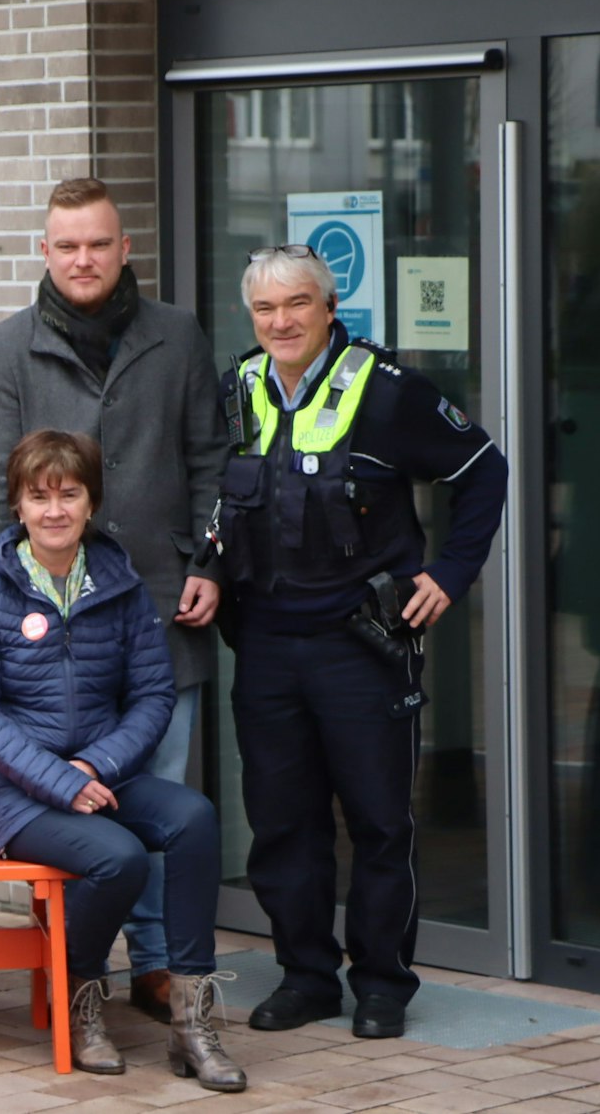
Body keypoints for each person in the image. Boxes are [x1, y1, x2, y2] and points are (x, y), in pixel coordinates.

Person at [217, 246, 507, 1040]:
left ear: (328, 306)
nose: (281, 321)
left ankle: (382, 982)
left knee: (379, 821)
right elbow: (226, 501)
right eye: (266, 309)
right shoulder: (238, 386)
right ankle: (306, 975)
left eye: (297, 304)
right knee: (283, 822)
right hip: (268, 643)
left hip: (361, 644)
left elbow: (484, 469)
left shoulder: (387, 392)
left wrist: (449, 572)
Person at [0, 177, 227, 1023]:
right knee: (76, 807)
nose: (84, 258)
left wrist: (209, 560)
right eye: (67, 244)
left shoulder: (178, 335)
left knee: (155, 786)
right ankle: (78, 973)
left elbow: (211, 458)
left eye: (99, 243)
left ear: (123, 250)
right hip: (42, 622)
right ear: (45, 251)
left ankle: (157, 967)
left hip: (158, 600)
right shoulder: (4, 349)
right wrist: (9, 603)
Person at [0, 430, 244, 1090]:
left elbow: (152, 692)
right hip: (6, 795)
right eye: (39, 495)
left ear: (91, 502)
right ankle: (80, 994)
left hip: (99, 778)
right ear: (18, 506)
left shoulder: (119, 579)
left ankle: (191, 1022)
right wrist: (58, 779)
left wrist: (94, 767)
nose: (55, 509)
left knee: (193, 818)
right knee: (120, 857)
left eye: (70, 493)